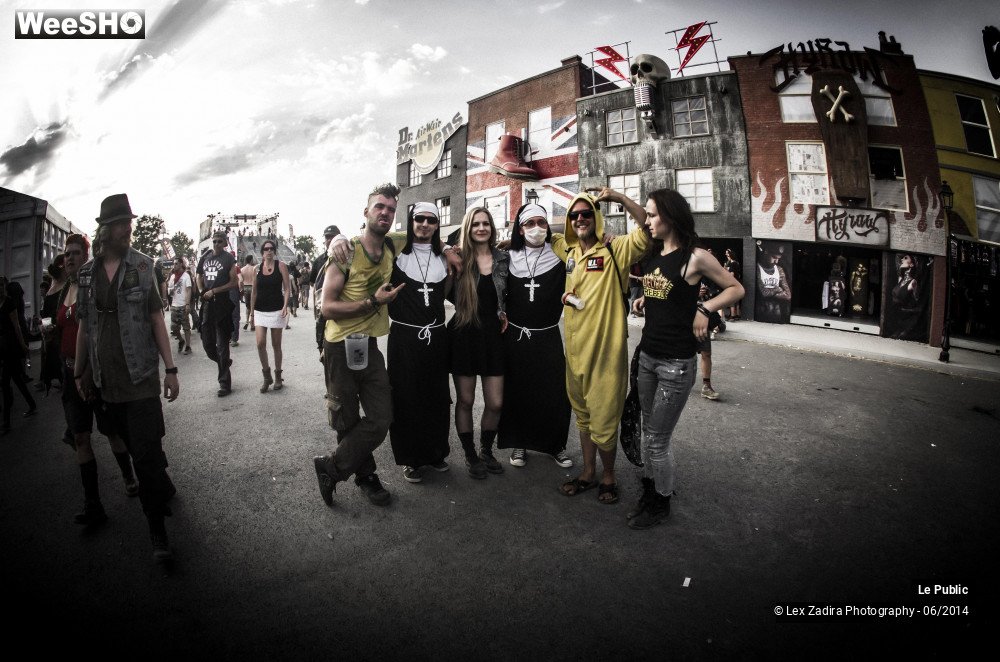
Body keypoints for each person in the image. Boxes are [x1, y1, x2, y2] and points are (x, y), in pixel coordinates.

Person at [74, 193, 181, 562]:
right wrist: (80, 372)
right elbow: (86, 327)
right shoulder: (86, 275)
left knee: (146, 459)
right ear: (104, 230)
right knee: (137, 450)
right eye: (121, 223)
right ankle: (161, 487)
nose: (128, 228)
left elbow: (155, 319)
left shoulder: (142, 266)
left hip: (140, 381)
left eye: (129, 222)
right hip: (106, 384)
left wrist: (170, 369)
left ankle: (157, 531)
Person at [628, 189, 743, 529]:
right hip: (648, 355)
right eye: (646, 214)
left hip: (675, 363)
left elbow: (735, 289)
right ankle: (651, 490)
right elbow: (665, 289)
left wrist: (705, 308)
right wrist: (647, 300)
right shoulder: (656, 252)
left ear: (670, 217)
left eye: (651, 215)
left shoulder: (696, 256)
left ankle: (660, 502)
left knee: (657, 438)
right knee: (648, 430)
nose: (646, 220)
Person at [551, 189, 650, 505]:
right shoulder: (567, 252)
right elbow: (534, 236)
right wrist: (506, 244)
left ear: (596, 218)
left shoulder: (614, 250)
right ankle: (588, 473)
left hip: (606, 355)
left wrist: (619, 199)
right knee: (582, 416)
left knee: (605, 419)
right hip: (575, 353)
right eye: (574, 215)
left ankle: (609, 477)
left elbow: (648, 229)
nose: (580, 219)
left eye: (586, 214)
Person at [312, 184, 406, 508]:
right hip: (338, 347)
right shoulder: (345, 252)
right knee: (347, 419)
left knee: (382, 417)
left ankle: (331, 467)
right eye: (379, 207)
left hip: (370, 346)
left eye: (391, 209)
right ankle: (367, 477)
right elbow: (327, 307)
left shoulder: (393, 246)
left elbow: (429, 234)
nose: (385, 213)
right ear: (366, 212)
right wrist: (371, 301)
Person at [57, 234, 139, 526]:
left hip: (93, 373)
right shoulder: (66, 287)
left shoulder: (91, 288)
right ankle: (93, 504)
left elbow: (96, 332)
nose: (69, 258)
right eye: (66, 254)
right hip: (71, 374)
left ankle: (129, 475)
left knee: (111, 432)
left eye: (75, 253)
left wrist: (87, 374)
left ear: (87, 255)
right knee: (80, 437)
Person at [497, 203, 573, 470]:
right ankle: (520, 442)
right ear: (520, 228)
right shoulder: (508, 256)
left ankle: (555, 445)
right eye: (530, 223)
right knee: (519, 390)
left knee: (554, 392)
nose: (537, 228)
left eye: (542, 222)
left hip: (547, 335)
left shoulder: (560, 255)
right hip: (516, 336)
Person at [386, 203, 452, 483]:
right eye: (419, 219)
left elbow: (443, 294)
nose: (425, 224)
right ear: (411, 222)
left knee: (437, 397)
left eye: (431, 220)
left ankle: (436, 453)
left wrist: (448, 248)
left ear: (437, 225)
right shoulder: (396, 255)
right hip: (404, 339)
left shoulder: (445, 258)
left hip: (436, 336)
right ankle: (411, 458)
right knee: (406, 398)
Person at [448, 206, 509, 479]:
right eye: (476, 224)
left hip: (494, 337)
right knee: (466, 400)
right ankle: (471, 455)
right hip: (464, 334)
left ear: (492, 228)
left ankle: (486, 449)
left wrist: (503, 311)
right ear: (468, 228)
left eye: (486, 223)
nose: (481, 228)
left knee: (495, 402)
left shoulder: (504, 259)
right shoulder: (458, 258)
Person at [197, 231, 239, 396]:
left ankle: (224, 383)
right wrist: (202, 291)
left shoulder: (228, 258)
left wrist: (215, 290)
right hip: (207, 303)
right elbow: (198, 276)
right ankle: (224, 363)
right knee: (207, 343)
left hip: (222, 302)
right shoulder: (205, 257)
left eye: (219, 241)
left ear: (225, 243)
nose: (216, 244)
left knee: (222, 344)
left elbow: (233, 282)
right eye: (214, 241)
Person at [250, 239, 290, 392]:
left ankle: (278, 375)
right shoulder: (256, 269)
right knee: (260, 343)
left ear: (274, 250)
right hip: (260, 310)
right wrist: (252, 313)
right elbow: (254, 292)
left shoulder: (281, 266)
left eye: (271, 248)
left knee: (276, 345)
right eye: (266, 249)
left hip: (276, 310)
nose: (269, 251)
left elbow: (287, 289)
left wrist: (285, 306)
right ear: (262, 252)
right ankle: (267, 376)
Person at [0, 275, 36, 433]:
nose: (0, 288)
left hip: (11, 347)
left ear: (5, 287)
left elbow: (16, 327)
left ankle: (6, 421)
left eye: (1, 285)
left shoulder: (9, 303)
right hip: (2, 347)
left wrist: (23, 346)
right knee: (17, 380)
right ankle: (31, 404)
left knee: (5, 382)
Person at [312, 225, 340, 354]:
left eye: (333, 237)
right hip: (323, 306)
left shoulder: (348, 258)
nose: (330, 240)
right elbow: (313, 282)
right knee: (322, 342)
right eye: (328, 237)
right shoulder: (318, 261)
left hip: (340, 305)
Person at [168, 258, 193, 355]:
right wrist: (171, 290)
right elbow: (169, 291)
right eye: (173, 264)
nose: (174, 266)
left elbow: (188, 290)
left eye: (176, 264)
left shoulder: (186, 276)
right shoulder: (172, 276)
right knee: (174, 328)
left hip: (183, 305)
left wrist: (187, 304)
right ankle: (181, 340)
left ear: (181, 264)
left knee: (186, 327)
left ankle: (188, 346)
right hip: (174, 305)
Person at [723, 248, 742, 320]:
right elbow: (738, 274)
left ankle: (732, 316)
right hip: (738, 282)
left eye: (727, 253)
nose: (726, 254)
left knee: (732, 299)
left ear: (730, 254)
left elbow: (732, 274)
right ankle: (737, 314)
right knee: (737, 299)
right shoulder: (736, 262)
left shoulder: (732, 263)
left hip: (732, 283)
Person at [240, 255, 256, 331]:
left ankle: (247, 320)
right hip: (252, 287)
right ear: (251, 260)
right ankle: (252, 324)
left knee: (248, 306)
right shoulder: (254, 269)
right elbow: (256, 280)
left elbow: (240, 281)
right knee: (253, 306)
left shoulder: (242, 269)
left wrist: (241, 289)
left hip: (245, 287)